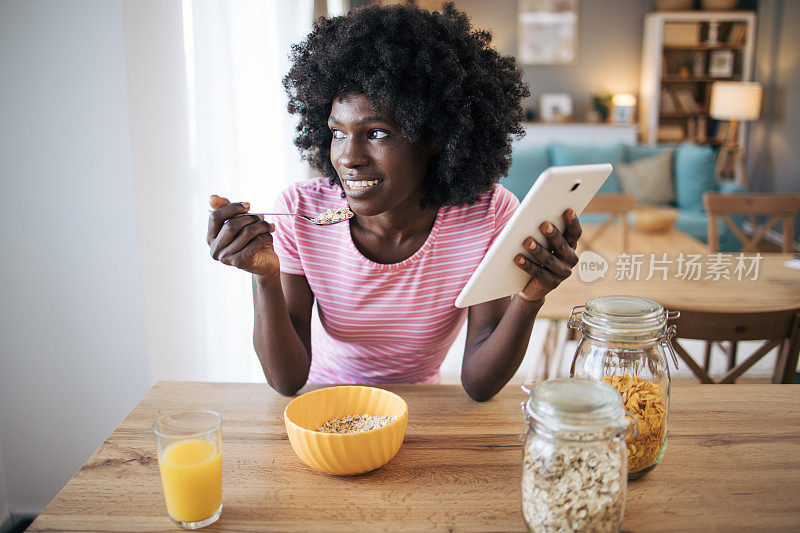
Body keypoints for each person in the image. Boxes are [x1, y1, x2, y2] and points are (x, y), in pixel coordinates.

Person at [206, 3, 582, 401]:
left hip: (423, 411)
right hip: (325, 404)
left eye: (377, 133)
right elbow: (287, 380)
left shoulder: (486, 214)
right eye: (337, 132)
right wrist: (264, 277)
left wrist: (531, 298)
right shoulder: (301, 211)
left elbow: (479, 383)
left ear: (434, 137)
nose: (348, 157)